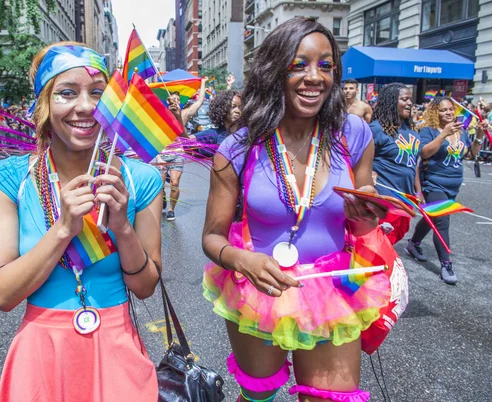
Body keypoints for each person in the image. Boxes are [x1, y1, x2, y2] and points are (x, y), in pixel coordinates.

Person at [202, 17, 391, 402]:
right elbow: (211, 237)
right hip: (258, 288)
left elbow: (362, 221)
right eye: (299, 64)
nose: (314, 77)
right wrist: (241, 260)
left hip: (334, 289)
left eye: (325, 65)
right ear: (274, 71)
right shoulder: (238, 147)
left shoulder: (352, 133)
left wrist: (367, 216)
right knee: (258, 398)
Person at [0, 42, 161, 401]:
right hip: (42, 356)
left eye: (98, 93)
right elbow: (2, 294)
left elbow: (145, 287)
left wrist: (122, 228)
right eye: (67, 93)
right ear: (45, 105)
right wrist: (63, 229)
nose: (86, 107)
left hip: (117, 347)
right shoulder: (7, 179)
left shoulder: (141, 179)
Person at [406, 97, 488, 284]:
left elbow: (470, 154)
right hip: (434, 183)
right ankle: (446, 264)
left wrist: (480, 136)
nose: (449, 113)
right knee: (442, 222)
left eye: (451, 109)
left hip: (454, 183)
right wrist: (443, 134)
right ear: (436, 112)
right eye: (443, 110)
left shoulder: (462, 131)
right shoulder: (429, 131)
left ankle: (413, 244)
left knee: (432, 218)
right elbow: (424, 153)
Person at [370, 82, 424, 244]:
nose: (409, 103)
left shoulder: (412, 132)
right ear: (392, 101)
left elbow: (413, 164)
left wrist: (418, 191)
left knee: (394, 239)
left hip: (406, 200)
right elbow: (358, 158)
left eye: (410, 99)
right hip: (385, 199)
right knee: (379, 245)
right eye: (404, 99)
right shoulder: (377, 129)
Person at [157, 88, 199, 221]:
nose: (175, 101)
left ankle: (171, 210)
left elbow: (199, 102)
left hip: (178, 153)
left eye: (177, 100)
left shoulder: (183, 114)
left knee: (175, 182)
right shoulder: (161, 116)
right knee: (160, 185)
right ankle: (162, 196)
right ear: (168, 101)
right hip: (163, 154)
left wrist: (202, 84)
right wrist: (158, 157)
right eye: (172, 99)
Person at [192, 90, 242, 157]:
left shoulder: (246, 134)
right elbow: (186, 143)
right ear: (223, 108)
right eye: (233, 106)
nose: (238, 111)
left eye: (241, 107)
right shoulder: (214, 134)